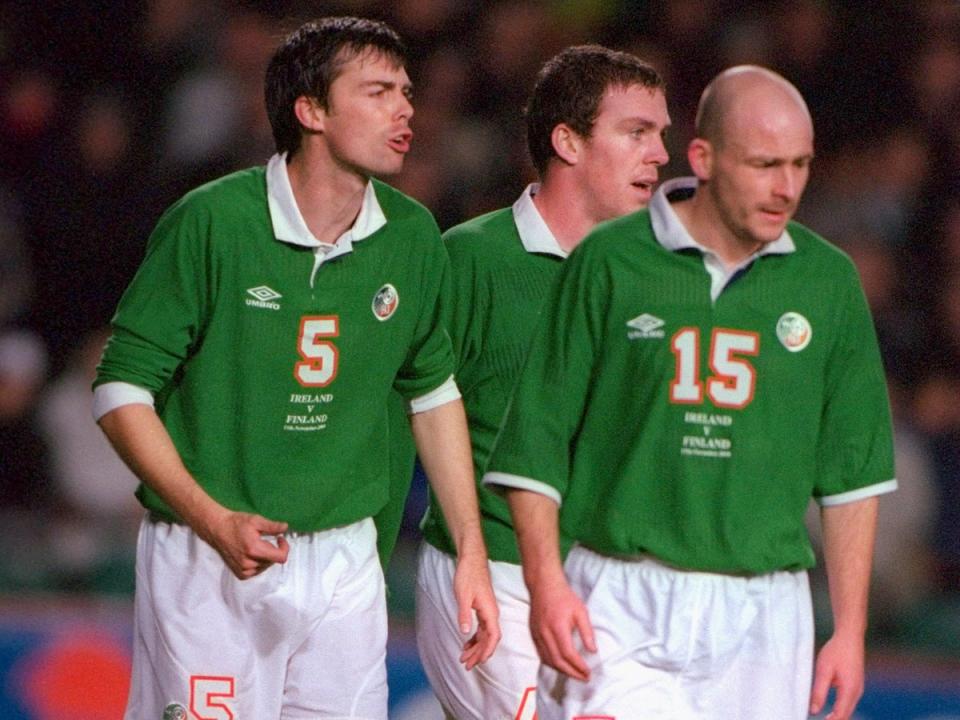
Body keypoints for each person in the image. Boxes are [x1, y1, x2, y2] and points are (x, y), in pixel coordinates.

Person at [93, 17, 499, 720]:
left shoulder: (412, 234)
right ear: (310, 111)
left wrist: (470, 549)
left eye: (406, 91)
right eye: (378, 91)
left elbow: (433, 395)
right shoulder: (212, 223)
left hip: (344, 560)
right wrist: (212, 518)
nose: (405, 108)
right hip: (208, 554)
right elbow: (121, 389)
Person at [484, 65, 896, 720]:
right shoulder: (609, 262)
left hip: (766, 614)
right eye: (765, 165)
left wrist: (848, 632)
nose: (785, 187)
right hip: (617, 599)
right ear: (703, 158)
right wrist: (546, 583)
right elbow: (534, 444)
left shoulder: (829, 283)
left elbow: (851, 479)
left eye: (800, 165)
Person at [411, 45, 669, 720]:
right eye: (637, 133)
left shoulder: (663, 277)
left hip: (614, 585)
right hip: (492, 571)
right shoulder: (471, 259)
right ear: (568, 141)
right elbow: (401, 410)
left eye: (662, 135)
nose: (661, 155)